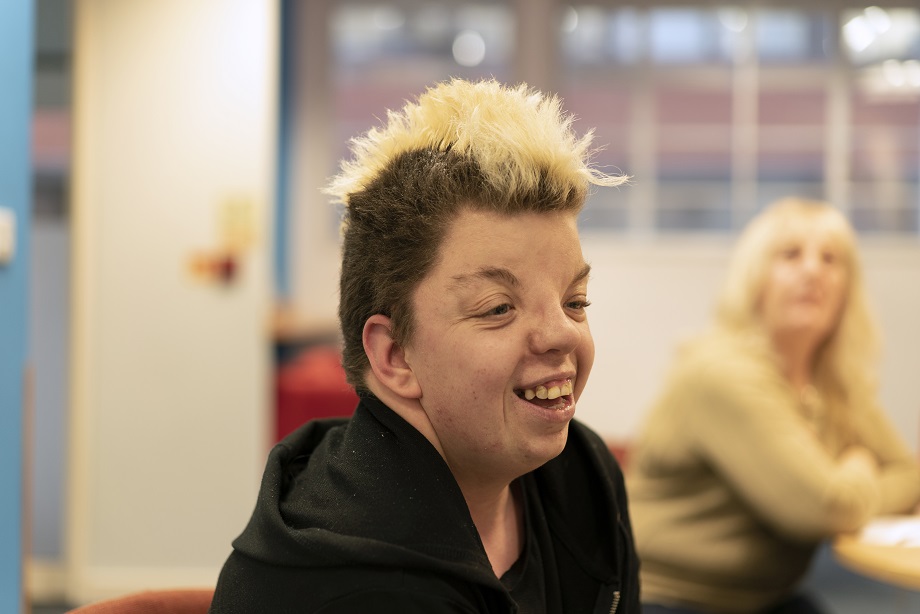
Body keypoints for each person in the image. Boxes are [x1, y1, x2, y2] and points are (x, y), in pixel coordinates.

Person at [209, 78, 640, 613]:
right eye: (498, 308)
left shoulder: (582, 476)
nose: (563, 334)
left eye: (575, 301)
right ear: (394, 356)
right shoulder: (346, 584)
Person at [627, 197, 920, 614]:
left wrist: (854, 489)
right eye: (790, 254)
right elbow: (829, 508)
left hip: (765, 597)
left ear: (847, 289)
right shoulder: (721, 374)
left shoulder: (833, 384)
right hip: (670, 597)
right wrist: (858, 464)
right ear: (754, 278)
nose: (813, 269)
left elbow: (909, 473)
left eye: (831, 259)